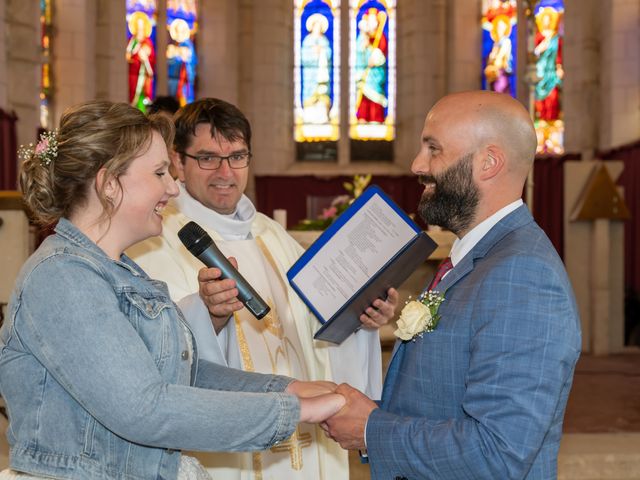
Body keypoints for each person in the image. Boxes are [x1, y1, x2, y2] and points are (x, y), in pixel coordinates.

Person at [0, 100, 345, 480]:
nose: (172, 186)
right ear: (109, 183)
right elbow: (144, 408)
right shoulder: (62, 277)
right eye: (160, 172)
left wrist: (288, 388)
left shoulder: (119, 270)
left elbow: (183, 372)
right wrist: (295, 412)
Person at [127, 97, 399, 480]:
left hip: (306, 441)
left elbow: (320, 337)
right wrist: (209, 316)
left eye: (237, 156)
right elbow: (154, 356)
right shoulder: (156, 240)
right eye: (207, 158)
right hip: (227, 458)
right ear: (178, 162)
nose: (225, 171)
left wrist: (361, 319)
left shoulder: (273, 235)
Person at [324, 90, 582, 479]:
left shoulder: (523, 277)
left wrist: (371, 428)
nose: (416, 164)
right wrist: (365, 412)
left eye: (433, 149)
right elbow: (439, 400)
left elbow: (499, 454)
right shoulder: (476, 258)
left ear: (488, 162)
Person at [355, 7, 388, 123]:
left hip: (375, 75)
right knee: (364, 98)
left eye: (374, 21)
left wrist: (375, 58)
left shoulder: (380, 37)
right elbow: (358, 53)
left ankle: (376, 120)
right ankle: (362, 119)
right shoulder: (363, 37)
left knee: (375, 98)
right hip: (364, 73)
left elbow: (382, 52)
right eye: (369, 20)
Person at [301, 13, 332, 124]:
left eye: (320, 26)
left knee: (322, 95)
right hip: (310, 76)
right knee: (311, 97)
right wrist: (314, 53)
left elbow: (329, 55)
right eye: (316, 26)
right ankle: (309, 117)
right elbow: (303, 57)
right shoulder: (307, 41)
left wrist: (322, 52)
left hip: (321, 73)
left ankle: (323, 117)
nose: (317, 29)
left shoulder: (324, 41)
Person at [126, 11, 156, 112]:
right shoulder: (132, 41)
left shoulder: (148, 42)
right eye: (138, 27)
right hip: (133, 74)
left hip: (143, 74)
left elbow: (151, 58)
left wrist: (145, 59)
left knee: (142, 96)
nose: (140, 30)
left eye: (142, 27)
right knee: (132, 96)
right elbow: (128, 56)